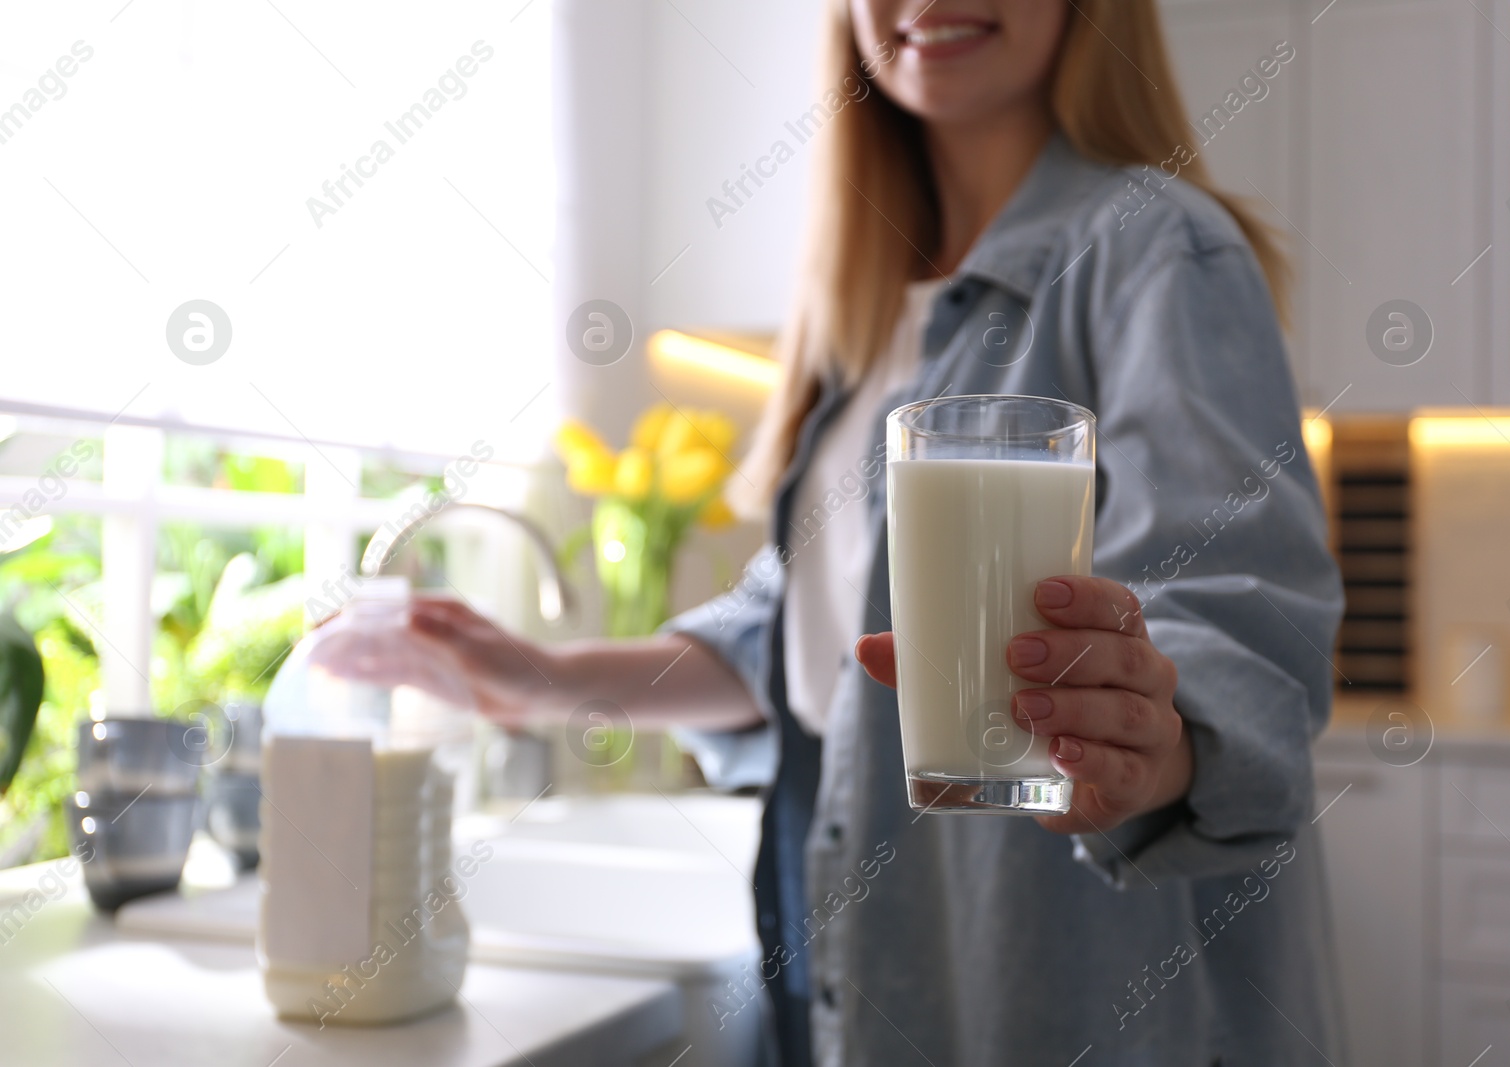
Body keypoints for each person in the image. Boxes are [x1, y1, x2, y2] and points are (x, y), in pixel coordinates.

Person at [410, 1, 1345, 1063]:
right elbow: (795, 631)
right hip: (836, 929)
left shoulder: (1153, 248)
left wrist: (1154, 743)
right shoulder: (856, 317)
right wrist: (543, 677)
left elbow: (1234, 610)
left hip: (1062, 974)